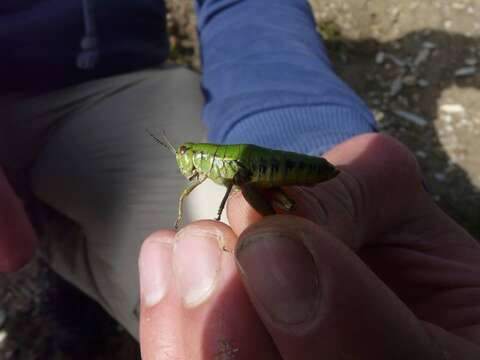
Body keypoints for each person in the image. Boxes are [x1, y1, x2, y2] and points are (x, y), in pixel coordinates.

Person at [2, 0, 479, 358]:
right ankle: (74, 310)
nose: (184, 161)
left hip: (117, 89)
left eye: (187, 156)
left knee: (238, 299)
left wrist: (316, 139)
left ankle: (79, 313)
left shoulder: (211, 161)